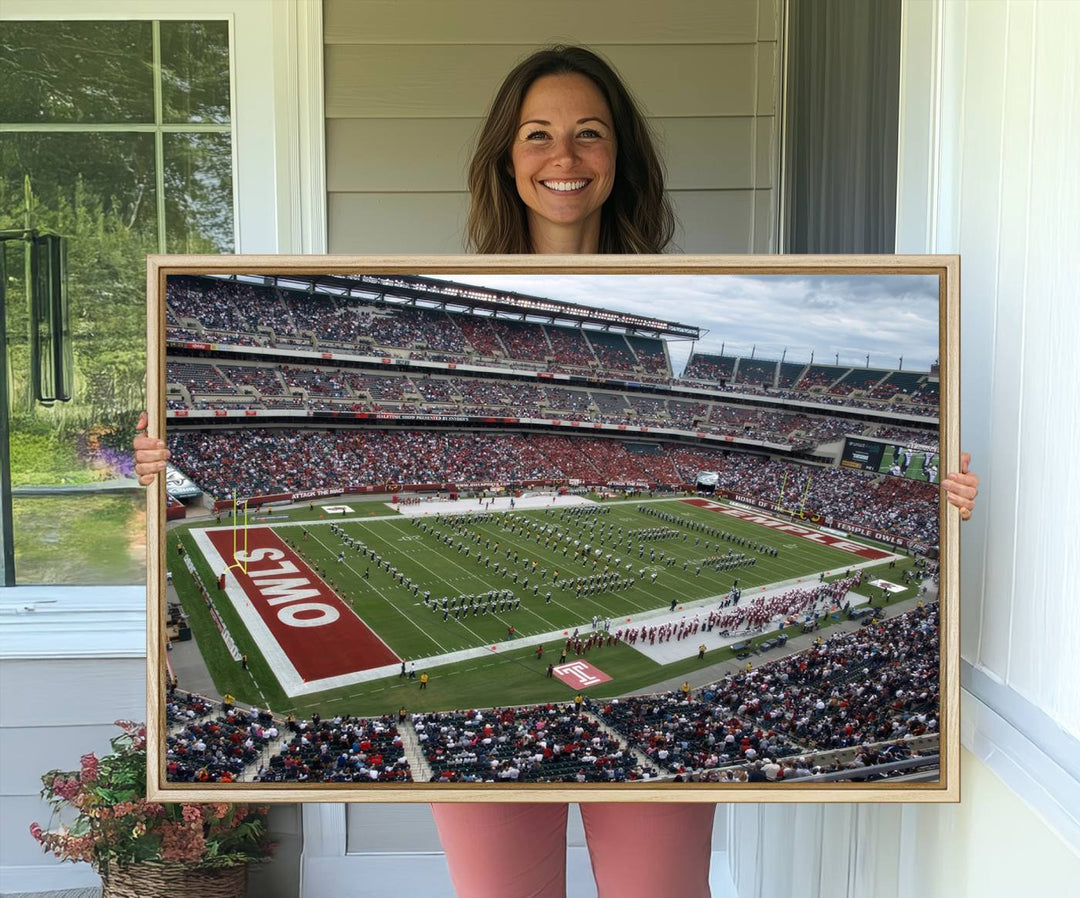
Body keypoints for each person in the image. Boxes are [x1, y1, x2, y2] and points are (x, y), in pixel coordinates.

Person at [133, 43, 980, 898]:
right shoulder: (450, 279)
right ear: (507, 157)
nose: (563, 157)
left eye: (589, 134)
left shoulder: (665, 306)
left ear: (621, 158)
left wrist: (938, 499)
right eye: (537, 134)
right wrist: (153, 463)